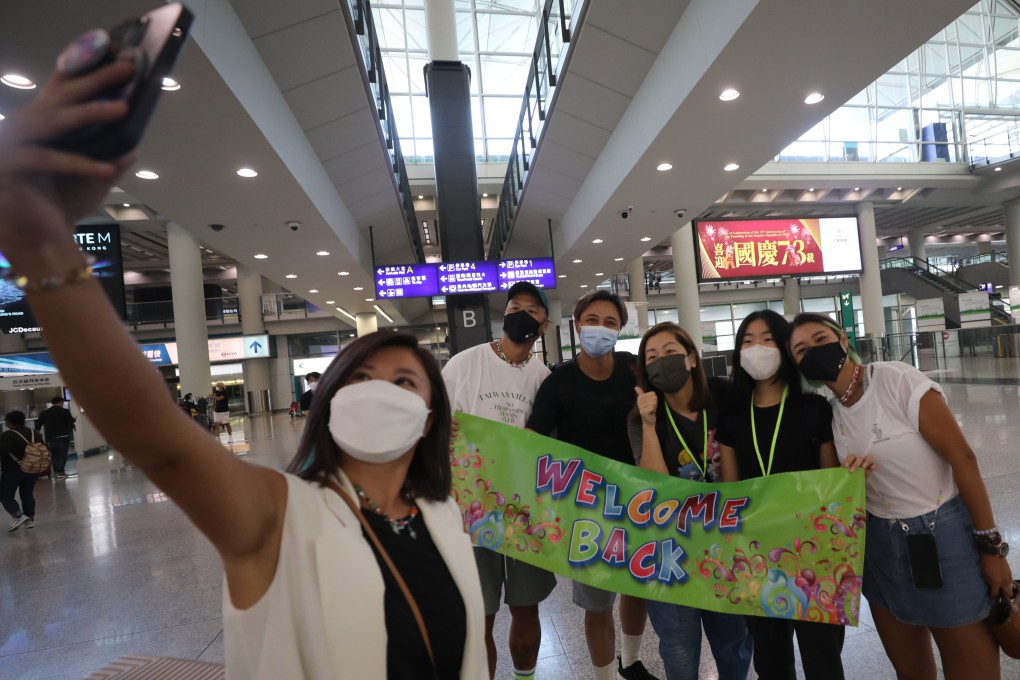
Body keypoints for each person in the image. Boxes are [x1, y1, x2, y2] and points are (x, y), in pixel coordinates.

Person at [0, 61, 485, 677]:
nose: (378, 393)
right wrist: (41, 242)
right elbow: (154, 435)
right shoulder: (277, 513)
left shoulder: (441, 515)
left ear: (428, 418)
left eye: (404, 382)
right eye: (358, 379)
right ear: (329, 402)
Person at [787, 312, 1013, 680]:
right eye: (800, 350)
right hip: (880, 547)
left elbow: (963, 458)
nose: (812, 351)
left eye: (819, 339)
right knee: (911, 670)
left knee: (973, 668)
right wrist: (849, 483)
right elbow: (837, 497)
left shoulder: (894, 379)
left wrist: (991, 547)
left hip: (943, 536)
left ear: (843, 340)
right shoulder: (830, 415)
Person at [527, 291, 658, 680]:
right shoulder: (559, 382)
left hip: (638, 502)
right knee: (596, 603)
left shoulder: (635, 371)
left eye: (611, 322)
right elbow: (534, 440)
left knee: (637, 590)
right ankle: (604, 676)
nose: (600, 328)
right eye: (593, 320)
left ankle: (631, 662)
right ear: (577, 325)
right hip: (587, 508)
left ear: (620, 329)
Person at [714, 311, 845, 680]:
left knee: (824, 660)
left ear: (785, 348)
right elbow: (731, 490)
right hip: (758, 557)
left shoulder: (814, 408)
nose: (758, 348)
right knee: (771, 663)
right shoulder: (733, 417)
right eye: (748, 340)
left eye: (769, 339)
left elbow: (831, 483)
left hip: (814, 556)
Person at [442, 281, 555, 680]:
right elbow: (436, 425)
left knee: (526, 607)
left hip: (526, 512)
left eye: (532, 309)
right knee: (480, 614)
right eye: (514, 306)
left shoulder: (545, 378)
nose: (521, 313)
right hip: (469, 512)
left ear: (544, 325)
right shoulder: (463, 364)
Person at [631, 322, 753, 680]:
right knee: (678, 650)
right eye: (651, 357)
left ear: (691, 359)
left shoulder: (724, 398)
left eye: (670, 351)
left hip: (728, 545)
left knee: (735, 643)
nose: (661, 361)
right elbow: (653, 487)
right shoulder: (639, 418)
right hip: (671, 553)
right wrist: (650, 424)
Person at [1, 411, 40, 532]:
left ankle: (18, 516)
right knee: (27, 494)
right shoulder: (34, 433)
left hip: (13, 470)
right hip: (32, 469)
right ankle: (30, 520)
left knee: (5, 495)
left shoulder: (8, 434)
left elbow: (2, 451)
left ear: (8, 422)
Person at [35, 396, 77, 479]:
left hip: (51, 437)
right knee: (63, 454)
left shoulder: (44, 413)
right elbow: (71, 421)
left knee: (54, 454)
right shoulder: (65, 411)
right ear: (60, 402)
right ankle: (60, 471)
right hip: (64, 436)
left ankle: (56, 471)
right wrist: (74, 420)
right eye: (62, 403)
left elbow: (38, 425)